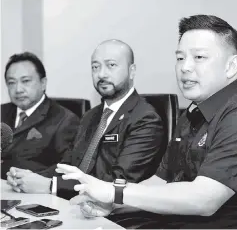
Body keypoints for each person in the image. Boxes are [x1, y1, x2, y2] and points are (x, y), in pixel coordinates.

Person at [56, 15, 237, 228]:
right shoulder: (192, 113)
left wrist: (114, 192)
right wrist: (113, 204)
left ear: (231, 66)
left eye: (199, 57)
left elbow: (205, 199)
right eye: (180, 58)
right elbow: (160, 182)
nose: (185, 67)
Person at [6, 40, 165, 200]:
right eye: (95, 67)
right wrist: (28, 178)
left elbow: (119, 182)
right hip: (75, 202)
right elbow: (68, 164)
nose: (101, 74)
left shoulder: (145, 119)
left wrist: (50, 185)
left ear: (132, 71)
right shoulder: (91, 116)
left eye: (111, 65)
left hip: (114, 213)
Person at [1, 52, 80, 180]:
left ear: (43, 83)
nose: (18, 89)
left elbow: (68, 166)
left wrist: (34, 179)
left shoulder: (65, 120)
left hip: (35, 194)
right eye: (11, 83)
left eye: (25, 81)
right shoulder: (2, 112)